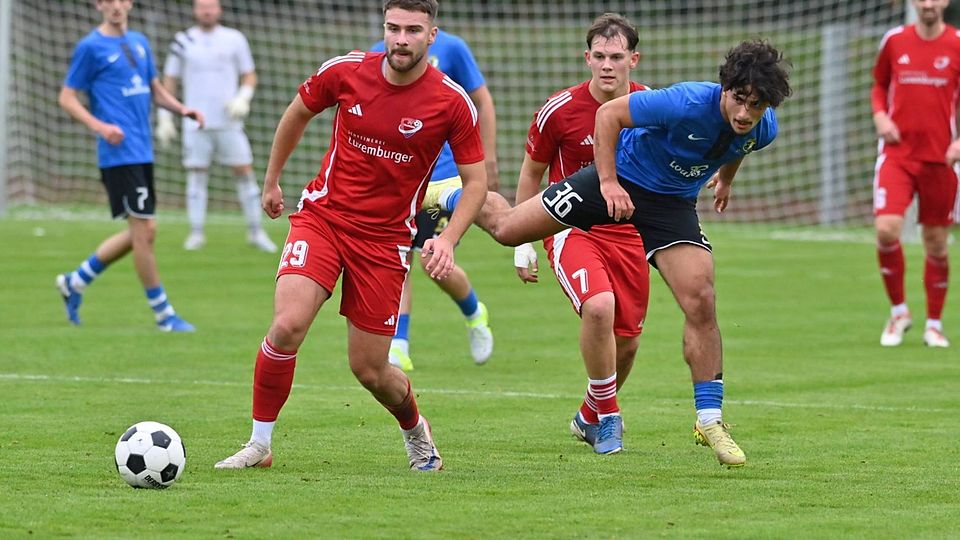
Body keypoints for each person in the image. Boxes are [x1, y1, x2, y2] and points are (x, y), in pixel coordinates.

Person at [439, 39, 791, 467]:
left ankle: (710, 419)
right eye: (739, 100)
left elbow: (740, 145)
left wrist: (726, 180)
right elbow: (608, 115)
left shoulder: (762, 126)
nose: (744, 113)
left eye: (755, 105)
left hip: (671, 205)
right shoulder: (683, 103)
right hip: (616, 182)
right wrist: (607, 182)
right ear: (724, 89)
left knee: (701, 298)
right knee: (508, 229)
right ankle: (452, 194)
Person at [214, 0, 487, 472]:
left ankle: (415, 430)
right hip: (323, 218)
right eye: (393, 28)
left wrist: (445, 239)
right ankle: (259, 444)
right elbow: (297, 113)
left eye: (413, 30)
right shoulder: (345, 72)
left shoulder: (451, 101)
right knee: (287, 326)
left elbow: (477, 182)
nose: (401, 39)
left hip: (384, 242)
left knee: (370, 370)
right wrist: (272, 180)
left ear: (432, 35)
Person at [512, 13, 650, 455]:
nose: (607, 65)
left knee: (626, 343)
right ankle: (610, 418)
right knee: (599, 308)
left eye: (616, 56)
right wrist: (523, 241)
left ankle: (589, 413)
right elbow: (532, 174)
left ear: (634, 59)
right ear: (586, 58)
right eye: (599, 56)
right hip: (571, 228)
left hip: (631, 234)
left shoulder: (651, 106)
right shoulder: (559, 111)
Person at [56, 0, 204, 332]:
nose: (116, 6)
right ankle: (164, 315)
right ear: (98, 5)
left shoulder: (139, 41)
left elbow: (155, 90)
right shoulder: (90, 47)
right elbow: (66, 97)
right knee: (145, 233)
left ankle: (75, 281)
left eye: (121, 0)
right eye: (108, 1)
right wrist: (100, 127)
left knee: (141, 232)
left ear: (130, 3)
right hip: (118, 155)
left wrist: (183, 110)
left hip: (142, 151)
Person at [370, 27, 497, 371]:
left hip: (441, 177)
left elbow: (482, 99)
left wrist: (488, 159)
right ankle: (399, 344)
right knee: (400, 261)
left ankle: (474, 313)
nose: (402, 37)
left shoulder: (452, 48)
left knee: (432, 262)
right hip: (397, 181)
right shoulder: (377, 54)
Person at [156, 0, 276, 253]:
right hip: (196, 121)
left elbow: (249, 74)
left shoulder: (234, 39)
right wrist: (165, 117)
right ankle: (196, 233)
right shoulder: (183, 40)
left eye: (211, 6)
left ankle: (256, 232)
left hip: (228, 121)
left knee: (244, 172)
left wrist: (243, 96)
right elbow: (170, 80)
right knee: (196, 175)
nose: (207, 11)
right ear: (194, 10)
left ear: (219, 9)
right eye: (202, 6)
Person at [872, 0, 959, 348]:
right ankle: (899, 312)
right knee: (886, 229)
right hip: (898, 156)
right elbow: (879, 86)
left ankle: (934, 325)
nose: (927, 3)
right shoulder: (894, 40)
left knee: (936, 242)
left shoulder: (956, 44)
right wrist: (880, 116)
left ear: (945, 2)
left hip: (941, 160)